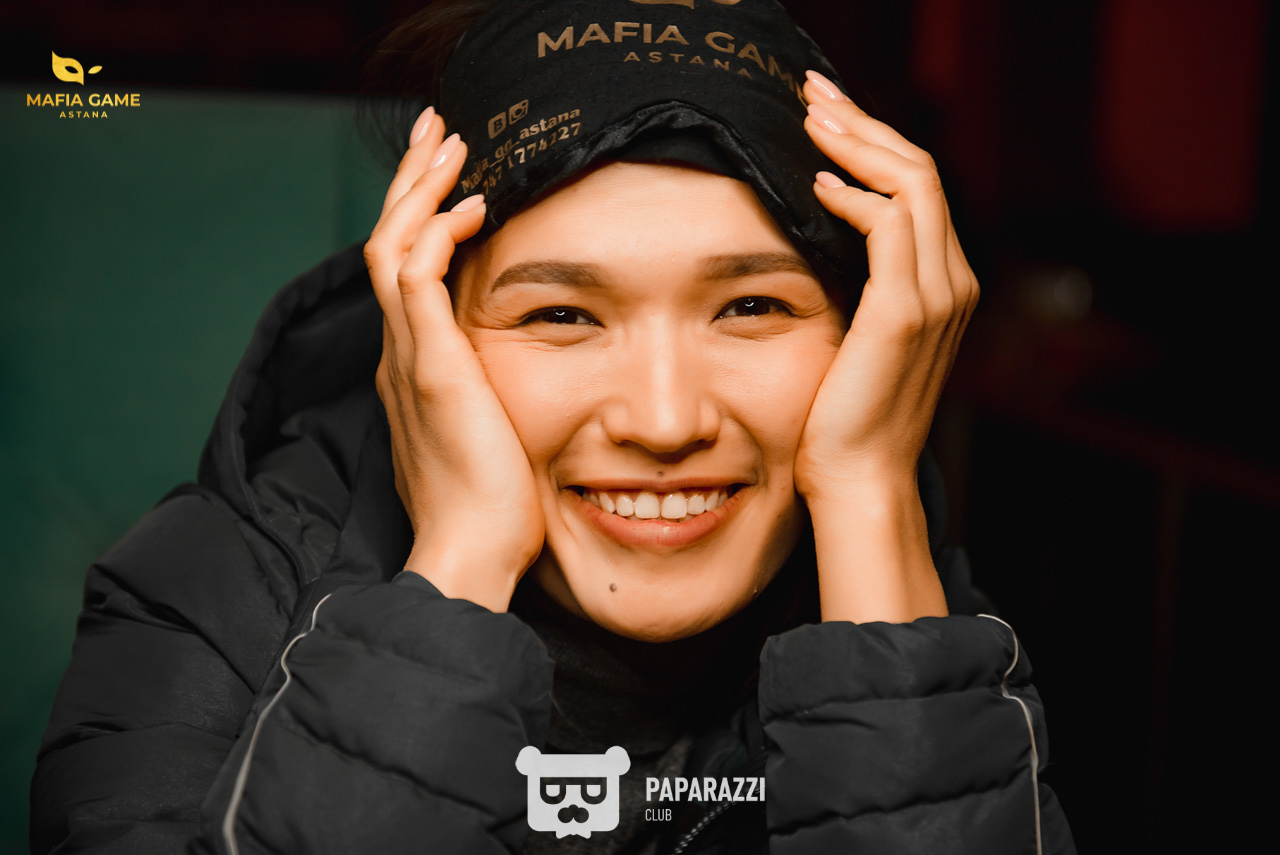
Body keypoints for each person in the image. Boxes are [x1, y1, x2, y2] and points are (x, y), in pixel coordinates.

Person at [31, 1, 1075, 853]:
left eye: (752, 306)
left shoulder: (901, 591)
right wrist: (457, 566)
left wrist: (869, 505)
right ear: (428, 331)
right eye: (561, 315)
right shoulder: (212, 593)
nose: (664, 420)